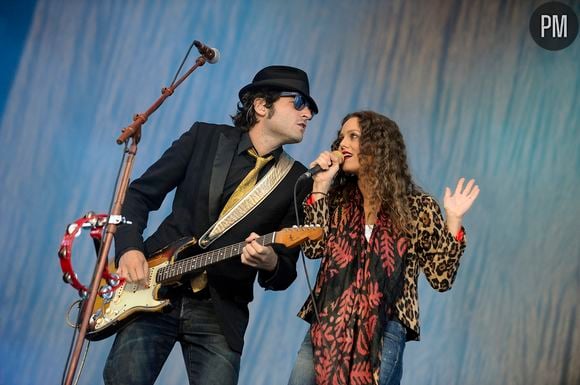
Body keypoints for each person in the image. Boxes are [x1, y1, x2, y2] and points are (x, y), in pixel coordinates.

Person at [103, 65, 317, 385]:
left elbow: (284, 273)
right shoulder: (204, 137)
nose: (308, 114)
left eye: (311, 108)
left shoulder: (297, 180)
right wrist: (130, 248)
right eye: (299, 102)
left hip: (220, 311)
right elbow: (138, 195)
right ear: (261, 105)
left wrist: (271, 261)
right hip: (152, 284)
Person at [288, 110, 480, 385]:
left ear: (378, 146)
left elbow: (441, 277)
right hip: (327, 322)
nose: (342, 143)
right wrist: (320, 184)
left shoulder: (416, 207)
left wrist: (454, 220)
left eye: (353, 136)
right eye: (341, 136)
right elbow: (313, 248)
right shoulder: (336, 199)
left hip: (385, 325)